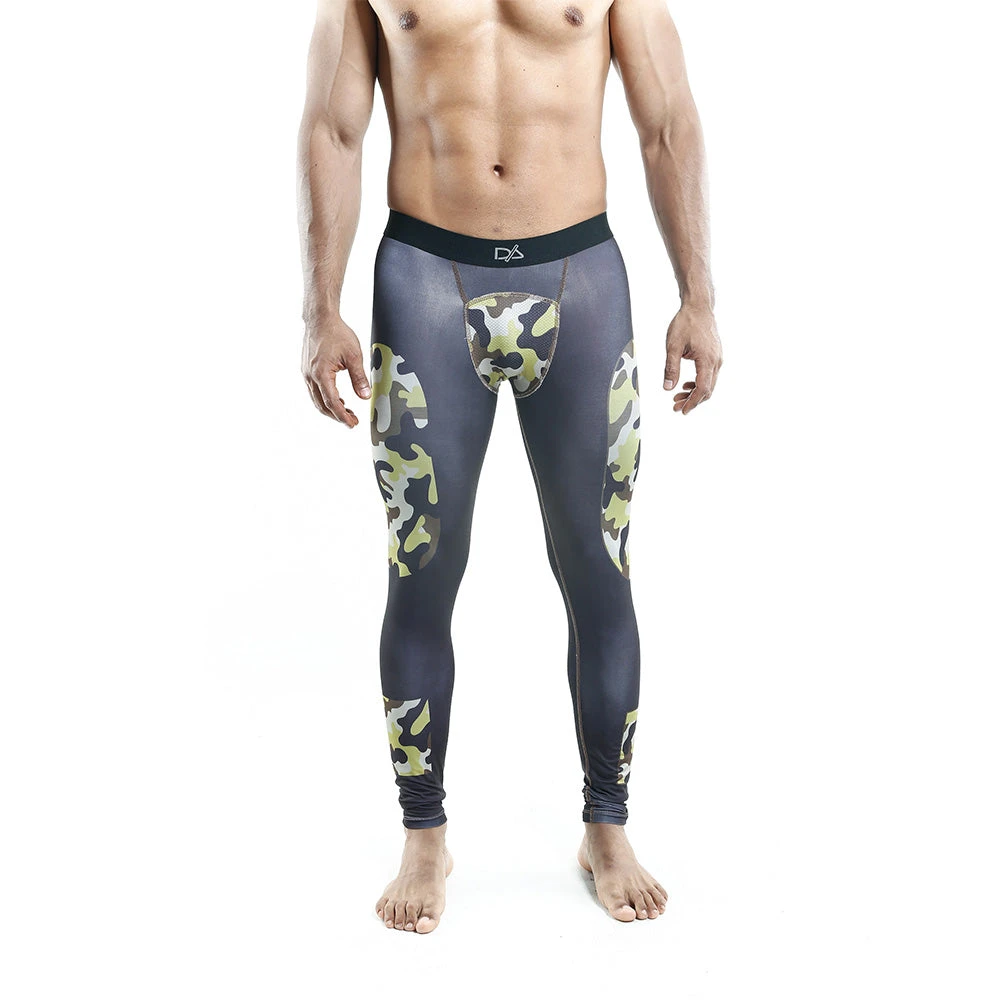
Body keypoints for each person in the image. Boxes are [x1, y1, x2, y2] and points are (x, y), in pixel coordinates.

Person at [296, 0, 722, 933]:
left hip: (581, 279)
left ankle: (606, 827)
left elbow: (666, 122)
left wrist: (699, 296)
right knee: (421, 569)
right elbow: (333, 129)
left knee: (600, 568)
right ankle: (424, 835)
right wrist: (319, 310)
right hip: (424, 279)